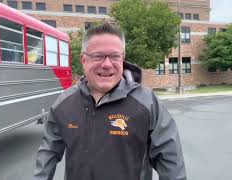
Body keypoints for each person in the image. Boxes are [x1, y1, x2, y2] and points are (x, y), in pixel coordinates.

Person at [33, 22, 186, 180]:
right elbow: (48, 152)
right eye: (98, 56)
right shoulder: (63, 104)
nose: (107, 64)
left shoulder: (148, 104)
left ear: (122, 59)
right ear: (83, 59)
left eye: (114, 56)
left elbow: (170, 163)